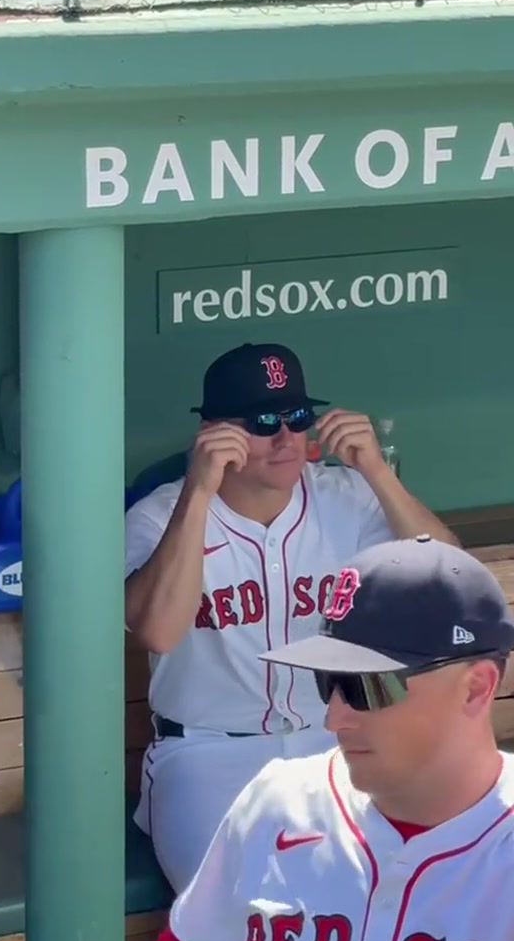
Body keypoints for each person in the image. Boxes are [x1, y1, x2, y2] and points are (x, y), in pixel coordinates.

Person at [115, 536, 514, 941]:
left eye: (364, 686)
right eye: (328, 682)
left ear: (475, 688)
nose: (333, 718)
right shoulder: (279, 801)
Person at [125, 341, 458, 892]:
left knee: (415, 885)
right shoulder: (161, 516)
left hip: (336, 743)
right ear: (213, 432)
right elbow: (158, 630)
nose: (285, 438)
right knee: (243, 909)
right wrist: (199, 492)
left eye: (297, 418)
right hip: (206, 754)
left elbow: (447, 586)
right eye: (261, 422)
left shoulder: (346, 497)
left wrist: (376, 470)